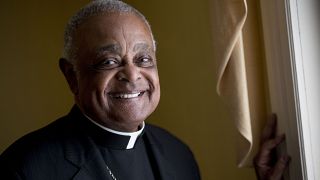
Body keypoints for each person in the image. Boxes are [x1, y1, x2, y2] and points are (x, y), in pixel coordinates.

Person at [0, 0, 289, 179]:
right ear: (71, 76)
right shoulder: (25, 168)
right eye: (109, 61)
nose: (132, 74)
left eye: (144, 59)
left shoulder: (179, 154)